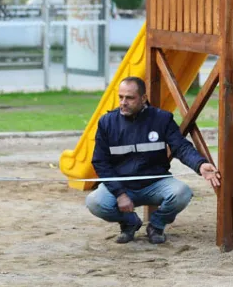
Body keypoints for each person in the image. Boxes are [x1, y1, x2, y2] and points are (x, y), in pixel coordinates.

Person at [86, 76, 221, 245]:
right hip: (122, 185)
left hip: (155, 183)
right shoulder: (107, 122)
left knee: (182, 193)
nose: (123, 102)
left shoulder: (162, 119)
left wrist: (200, 164)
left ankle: (156, 226)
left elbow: (181, 147)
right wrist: (119, 193)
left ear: (143, 98)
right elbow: (100, 162)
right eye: (120, 97)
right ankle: (129, 223)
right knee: (94, 202)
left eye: (129, 98)